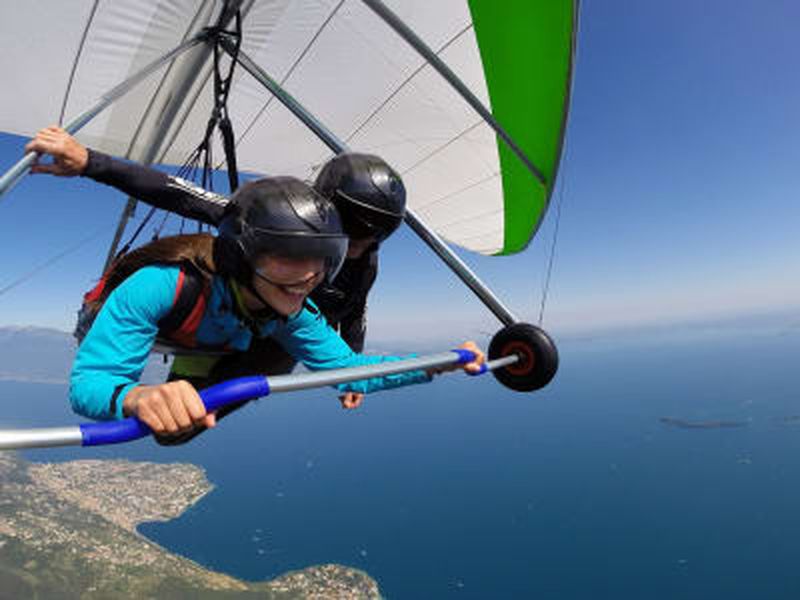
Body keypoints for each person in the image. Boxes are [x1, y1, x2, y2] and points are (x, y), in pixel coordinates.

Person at [66, 174, 485, 442]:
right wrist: (136, 397)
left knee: (180, 428)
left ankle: (190, 388)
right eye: (287, 258)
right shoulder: (162, 284)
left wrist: (439, 363)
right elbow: (91, 382)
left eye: (321, 260)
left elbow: (351, 370)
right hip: (154, 321)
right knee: (167, 418)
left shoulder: (291, 311)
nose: (308, 277)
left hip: (205, 343)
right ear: (242, 255)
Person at [26, 127, 405, 410]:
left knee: (194, 414)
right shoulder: (259, 220)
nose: (356, 249)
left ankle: (203, 384)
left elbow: (354, 317)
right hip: (219, 312)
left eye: (366, 242)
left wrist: (351, 376)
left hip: (263, 325)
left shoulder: (356, 267)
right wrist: (91, 161)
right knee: (176, 419)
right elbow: (171, 189)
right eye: (348, 237)